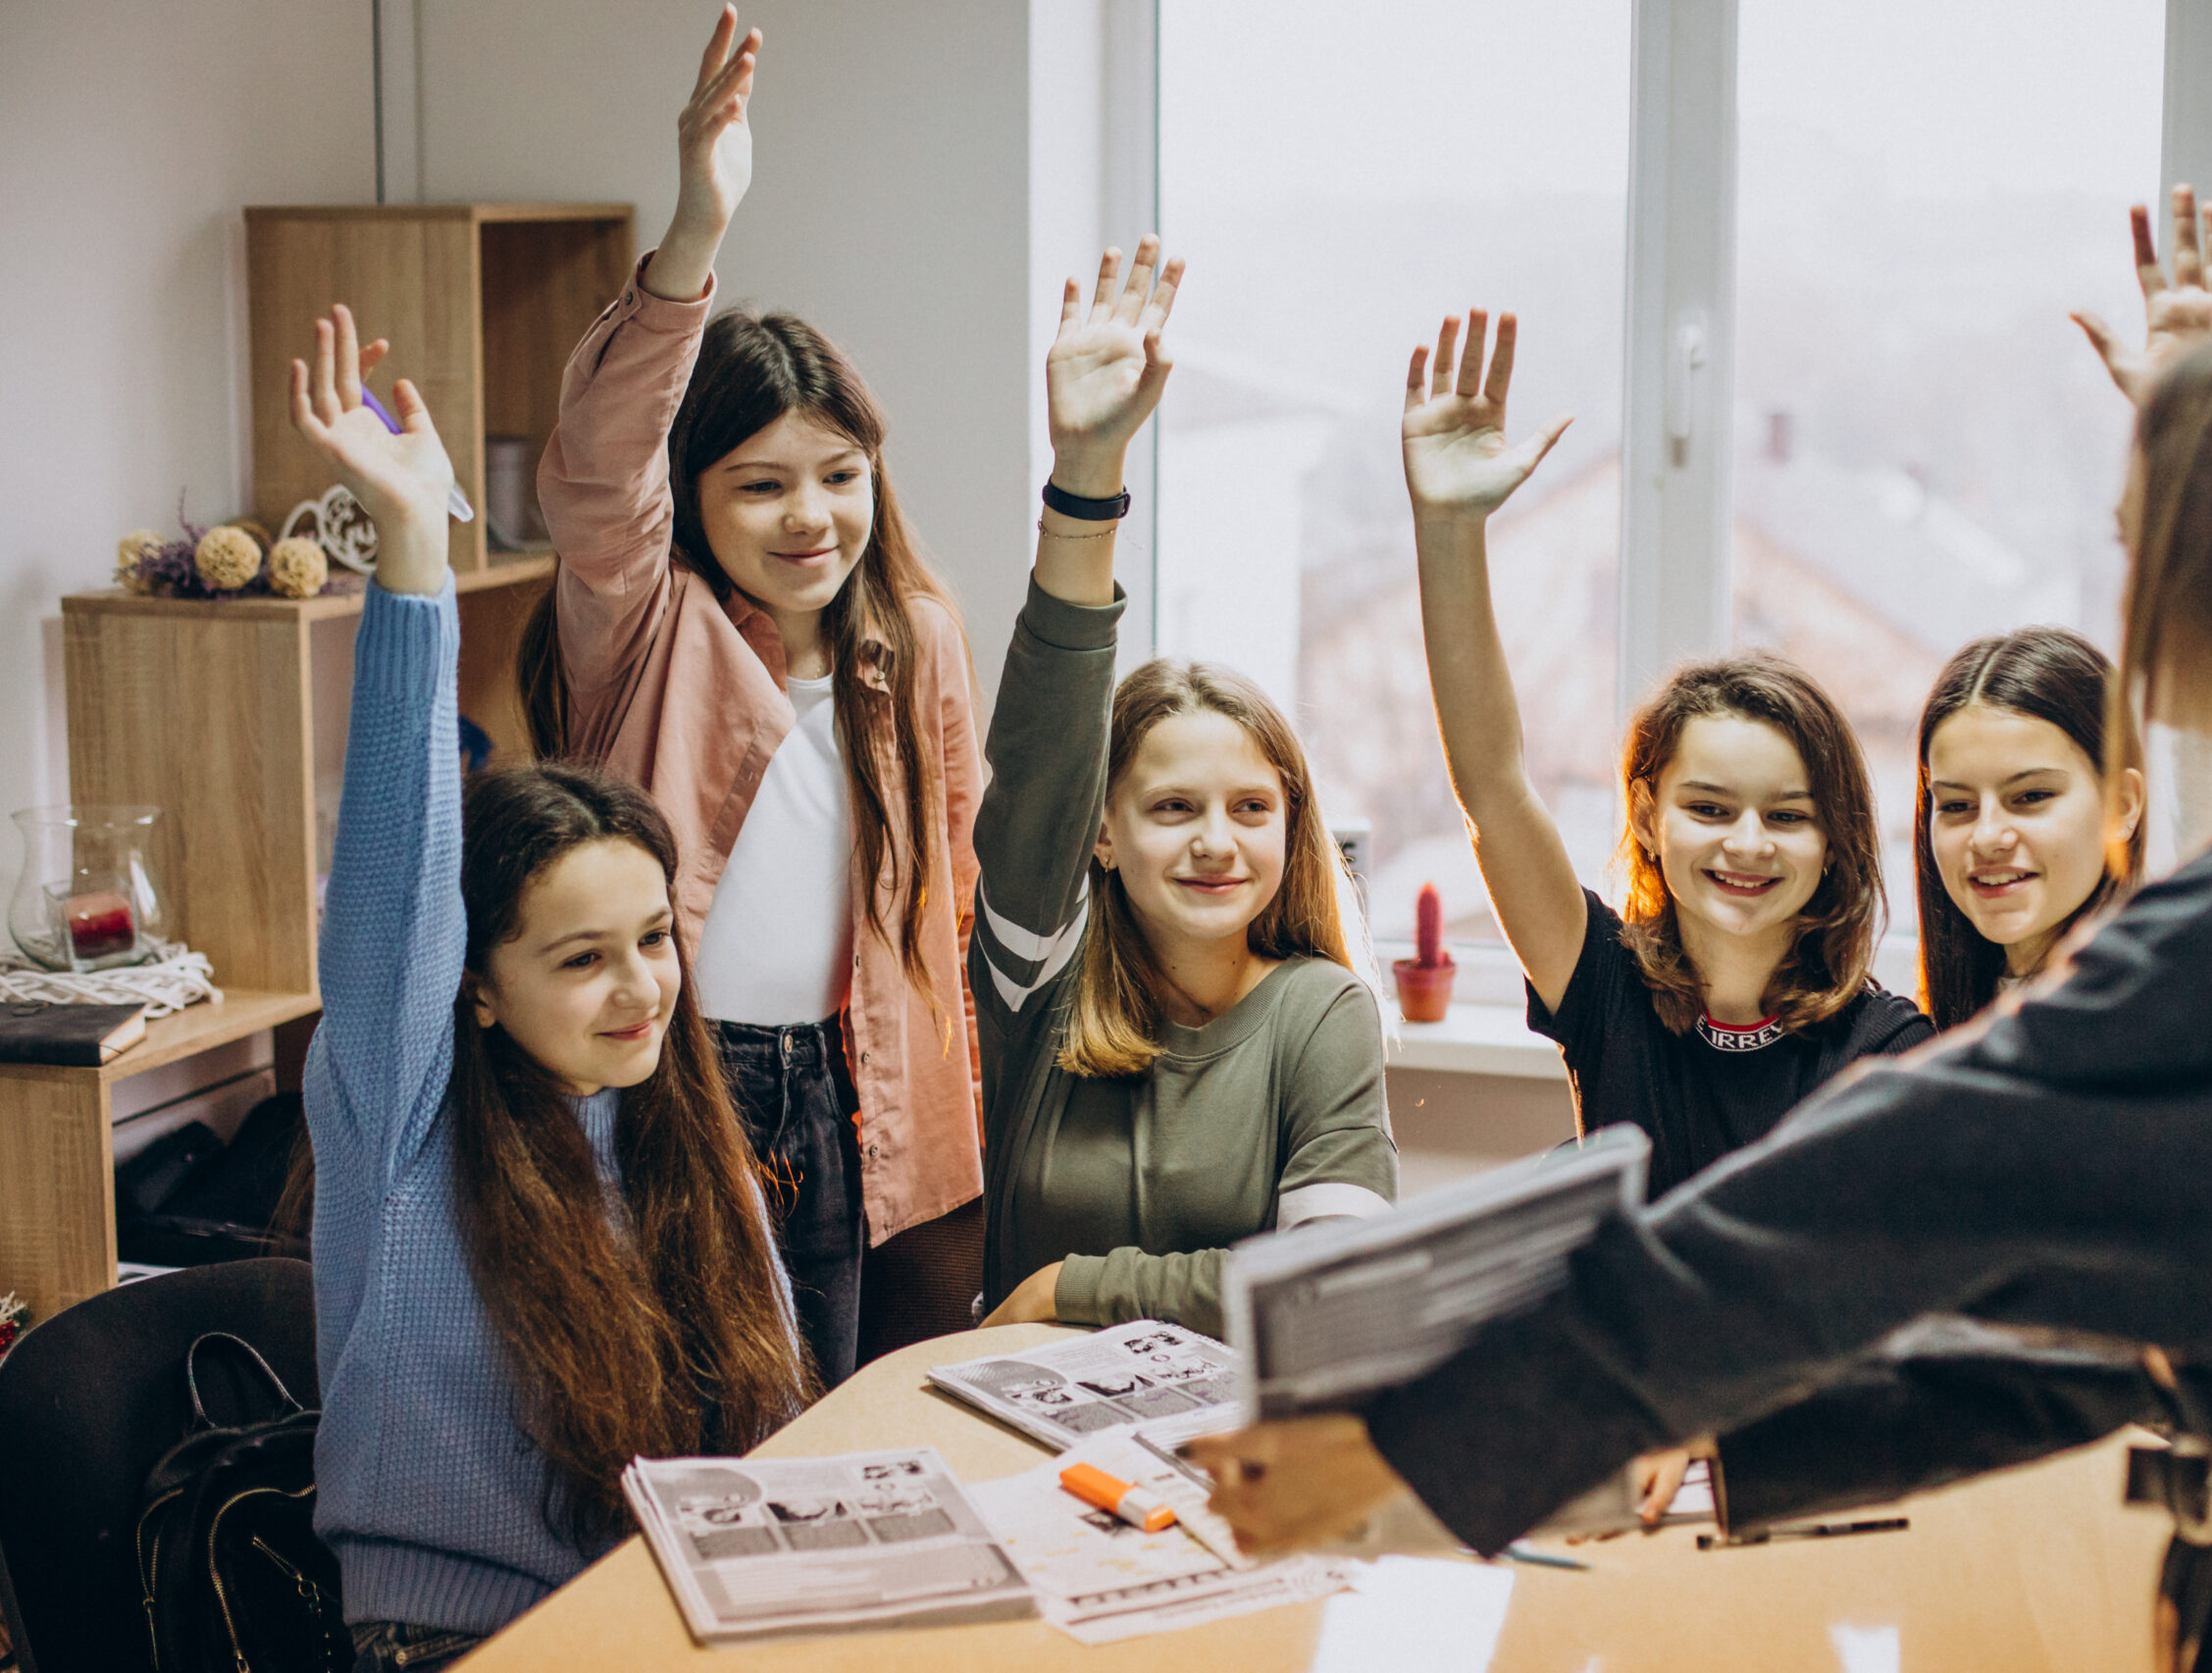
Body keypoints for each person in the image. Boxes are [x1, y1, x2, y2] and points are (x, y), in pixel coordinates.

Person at [1196, 204, 2212, 1673]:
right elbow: (2071, 1354)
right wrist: (1696, 1431)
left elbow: (1883, 1188)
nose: (2132, 587)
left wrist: (1425, 1436)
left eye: (2145, 539)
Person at [288, 306, 810, 1672]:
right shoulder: (398, 1123)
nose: (641, 988)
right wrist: (413, 555)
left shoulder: (677, 1124)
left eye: (654, 938)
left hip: (662, 1623)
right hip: (451, 1639)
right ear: (470, 986)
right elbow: (398, 867)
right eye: (580, 959)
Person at [525, 6, 983, 1385]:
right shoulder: (641, 624)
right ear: (697, 501)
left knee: (842, 1424)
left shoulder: (917, 637)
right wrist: (696, 234)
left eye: (837, 474)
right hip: (684, 1073)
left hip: (859, 1085)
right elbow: (602, 466)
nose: (809, 517)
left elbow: (949, 879)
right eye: (761, 484)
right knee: (687, 1422)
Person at [1404, 307, 1932, 1212]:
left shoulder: (1886, 1049)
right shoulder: (1605, 983)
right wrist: (1449, 529)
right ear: (1648, 814)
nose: (1749, 843)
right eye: (1711, 808)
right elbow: (1492, 788)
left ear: (1839, 839)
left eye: (1790, 815)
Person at [970, 239, 1398, 1339]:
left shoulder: (1321, 1012)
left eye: (1251, 808)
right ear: (1100, 834)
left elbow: (1336, 1288)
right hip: (1018, 1431)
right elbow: (1044, 737)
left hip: (1233, 1456)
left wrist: (1075, 1288)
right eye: (1171, 808)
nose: (1217, 840)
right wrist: (1086, 472)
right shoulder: (1041, 978)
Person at [1916, 627, 2145, 1028]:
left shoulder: (2174, 1013)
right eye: (1957, 805)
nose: (1986, 836)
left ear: (2122, 804)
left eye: (2031, 796)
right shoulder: (1931, 1021)